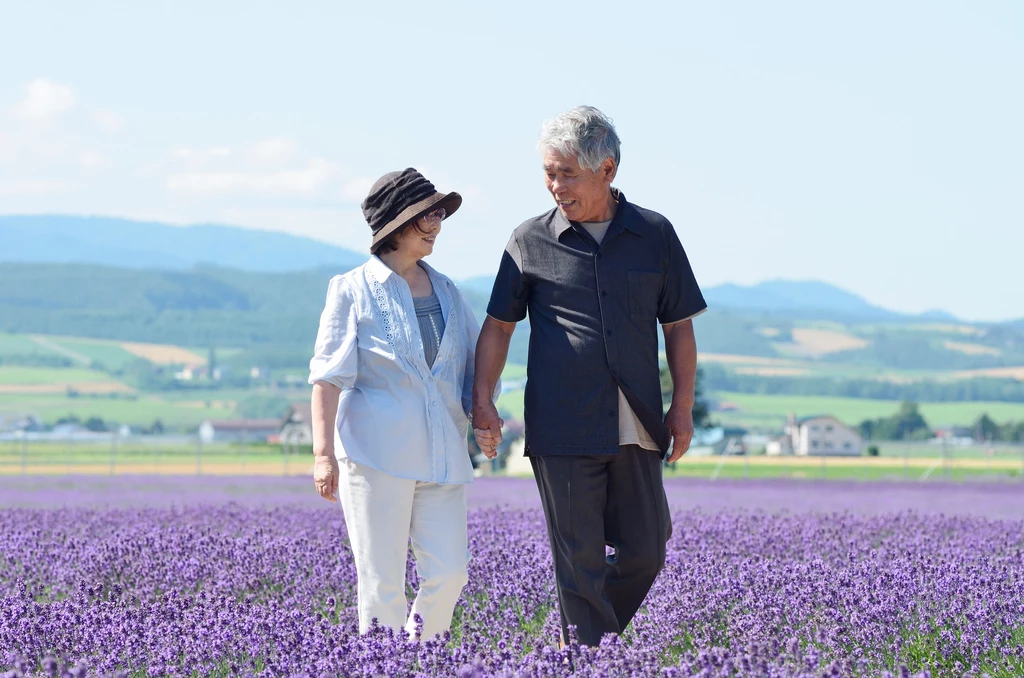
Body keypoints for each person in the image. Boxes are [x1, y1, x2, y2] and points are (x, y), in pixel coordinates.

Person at [472, 106, 707, 647]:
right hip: (563, 426)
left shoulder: (655, 234)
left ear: (608, 169)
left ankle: (580, 647)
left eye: (567, 173)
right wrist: (482, 400)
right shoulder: (527, 240)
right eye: (549, 174)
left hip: (640, 424)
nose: (556, 186)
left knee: (648, 551)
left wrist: (683, 408)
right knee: (578, 563)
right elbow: (498, 328)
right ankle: (589, 659)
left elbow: (678, 328)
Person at [308, 168, 489, 640]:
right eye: (424, 215)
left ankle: (414, 658)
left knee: (451, 573)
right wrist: (323, 455)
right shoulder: (352, 289)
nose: (435, 223)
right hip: (374, 458)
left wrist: (484, 413)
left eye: (437, 214)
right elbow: (327, 378)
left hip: (442, 453)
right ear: (394, 225)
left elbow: (472, 365)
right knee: (381, 586)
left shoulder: (448, 290)